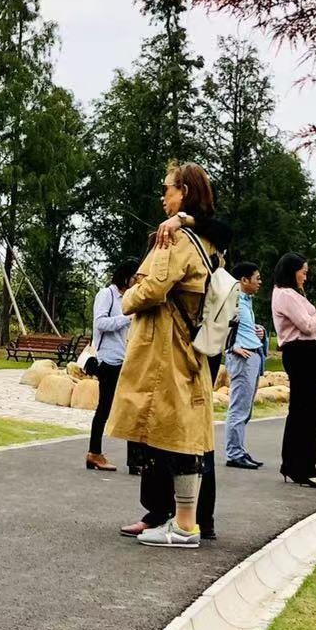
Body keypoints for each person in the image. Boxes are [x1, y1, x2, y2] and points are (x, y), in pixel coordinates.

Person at [109, 162, 220, 550]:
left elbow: (154, 287)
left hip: (167, 347)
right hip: (191, 345)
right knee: (180, 430)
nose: (163, 196)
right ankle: (176, 517)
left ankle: (184, 523)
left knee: (175, 432)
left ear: (185, 192)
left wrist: (126, 298)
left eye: (168, 189)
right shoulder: (209, 241)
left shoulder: (180, 239)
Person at [271, 252, 316, 488]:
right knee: (308, 414)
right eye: (303, 272)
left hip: (305, 355)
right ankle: (303, 468)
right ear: (292, 271)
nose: (305, 276)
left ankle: (293, 465)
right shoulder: (286, 295)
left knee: (303, 413)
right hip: (300, 354)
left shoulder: (291, 295)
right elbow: (308, 325)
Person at [86, 261, 137, 471]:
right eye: (135, 276)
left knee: (132, 409)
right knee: (105, 408)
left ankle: (135, 461)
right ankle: (94, 453)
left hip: (127, 360)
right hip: (109, 360)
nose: (137, 281)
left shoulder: (132, 298)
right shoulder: (107, 294)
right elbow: (100, 323)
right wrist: (127, 318)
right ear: (125, 276)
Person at [224, 262, 268, 469]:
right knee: (239, 408)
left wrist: (259, 330)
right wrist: (232, 347)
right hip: (243, 358)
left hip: (254, 354)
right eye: (256, 278)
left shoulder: (246, 301)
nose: (260, 282)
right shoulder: (231, 300)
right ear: (244, 280)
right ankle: (234, 454)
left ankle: (239, 450)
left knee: (246, 409)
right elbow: (216, 324)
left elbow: (241, 327)